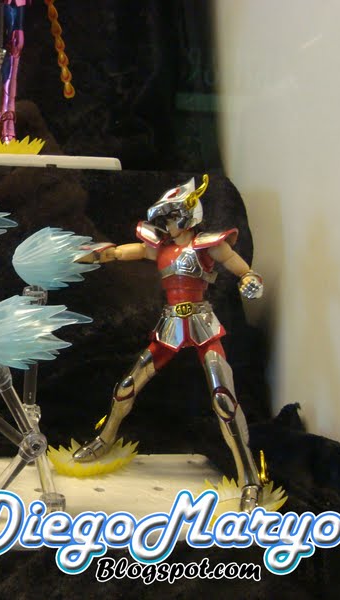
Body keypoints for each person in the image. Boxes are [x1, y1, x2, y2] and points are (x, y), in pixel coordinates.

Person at [73, 175, 265, 512]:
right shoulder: (161, 247)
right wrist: (99, 255)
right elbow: (124, 251)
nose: (166, 225)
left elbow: (241, 268)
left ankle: (250, 477)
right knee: (127, 386)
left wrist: (250, 278)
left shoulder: (209, 245)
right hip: (171, 324)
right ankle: (105, 438)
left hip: (202, 324)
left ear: (186, 215)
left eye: (170, 217)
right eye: (163, 219)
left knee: (224, 399)